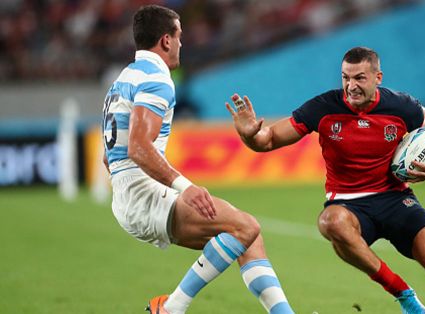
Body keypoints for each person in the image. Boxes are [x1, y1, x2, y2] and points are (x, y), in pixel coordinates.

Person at [226, 47, 425, 314]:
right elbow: (269, 140)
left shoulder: (402, 107)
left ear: (377, 77)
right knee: (330, 223)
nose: (351, 86)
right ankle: (403, 293)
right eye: (345, 78)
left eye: (360, 78)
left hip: (396, 199)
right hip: (349, 205)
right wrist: (250, 135)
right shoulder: (323, 107)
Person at [102, 5, 294, 314]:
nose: (182, 43)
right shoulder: (156, 78)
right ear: (166, 40)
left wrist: (128, 187)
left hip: (127, 195)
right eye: (179, 36)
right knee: (244, 227)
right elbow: (138, 147)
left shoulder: (125, 77)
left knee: (248, 236)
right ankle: (171, 308)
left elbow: (107, 157)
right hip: (143, 194)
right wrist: (184, 187)